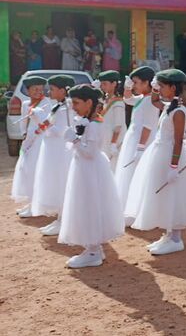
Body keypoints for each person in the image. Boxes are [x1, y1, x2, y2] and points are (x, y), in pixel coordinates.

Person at [125, 69, 186, 255]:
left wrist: (174, 167)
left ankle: (176, 238)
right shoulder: (169, 106)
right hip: (159, 153)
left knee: (173, 195)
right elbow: (153, 101)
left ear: (173, 87)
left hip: (169, 155)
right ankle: (168, 234)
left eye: (161, 86)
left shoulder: (179, 111)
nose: (158, 89)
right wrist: (154, 88)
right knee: (163, 195)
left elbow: (178, 141)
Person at [58, 84, 125, 268]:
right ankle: (93, 248)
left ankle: (94, 251)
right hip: (84, 168)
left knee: (89, 205)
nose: (74, 107)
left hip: (90, 169)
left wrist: (73, 138)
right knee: (86, 204)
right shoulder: (87, 121)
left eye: (77, 103)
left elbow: (90, 152)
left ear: (89, 102)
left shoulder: (95, 124)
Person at [30, 74, 76, 236]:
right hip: (53, 150)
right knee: (55, 183)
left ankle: (64, 220)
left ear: (64, 90)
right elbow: (48, 127)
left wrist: (40, 118)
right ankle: (59, 218)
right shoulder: (59, 106)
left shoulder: (67, 109)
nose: (50, 92)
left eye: (53, 89)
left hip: (60, 152)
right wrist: (40, 120)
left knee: (61, 183)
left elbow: (61, 132)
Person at [116, 67, 160, 225]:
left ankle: (137, 211)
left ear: (147, 82)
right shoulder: (143, 97)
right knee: (129, 173)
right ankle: (130, 209)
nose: (134, 85)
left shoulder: (151, 101)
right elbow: (127, 99)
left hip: (142, 140)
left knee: (137, 175)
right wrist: (127, 87)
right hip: (133, 137)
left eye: (136, 82)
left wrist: (140, 148)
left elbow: (148, 126)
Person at [11, 75, 51, 217]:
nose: (38, 92)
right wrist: (24, 135)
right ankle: (31, 202)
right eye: (34, 89)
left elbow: (47, 123)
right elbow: (24, 124)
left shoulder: (47, 103)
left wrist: (37, 115)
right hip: (28, 141)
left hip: (40, 142)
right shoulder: (25, 104)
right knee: (27, 171)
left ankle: (37, 205)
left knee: (36, 171)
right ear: (28, 91)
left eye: (40, 89)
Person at [97, 71, 127, 171]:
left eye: (105, 84)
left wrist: (113, 143)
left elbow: (118, 125)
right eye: (101, 84)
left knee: (112, 168)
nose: (102, 86)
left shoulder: (118, 103)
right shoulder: (105, 100)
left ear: (114, 84)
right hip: (105, 137)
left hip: (112, 139)